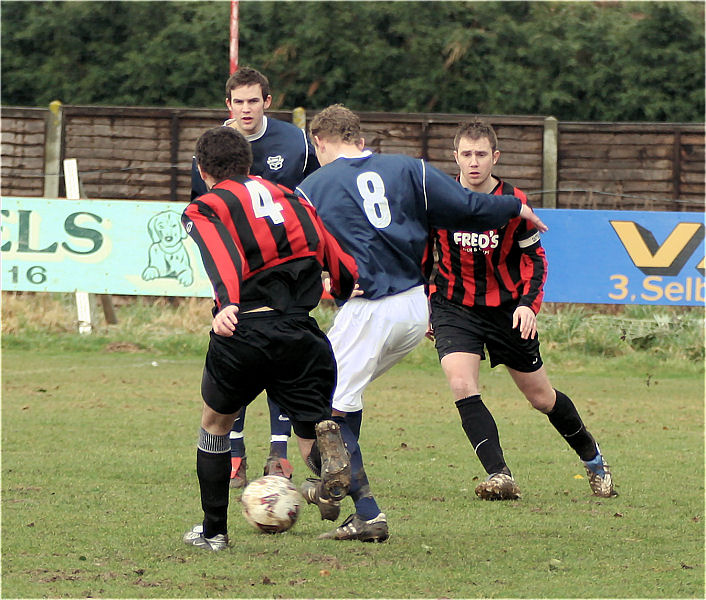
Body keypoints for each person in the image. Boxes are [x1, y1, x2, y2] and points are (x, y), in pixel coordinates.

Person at [294, 104, 548, 542]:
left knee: (313, 401)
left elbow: (298, 252)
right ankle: (343, 489)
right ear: (359, 135)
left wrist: (322, 287)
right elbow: (470, 207)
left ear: (319, 141)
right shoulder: (410, 168)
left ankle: (354, 500)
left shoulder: (312, 187)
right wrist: (516, 208)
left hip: (369, 310)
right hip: (414, 307)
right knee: (343, 401)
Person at [181, 126, 357, 551]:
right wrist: (344, 291)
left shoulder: (205, 206)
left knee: (215, 426)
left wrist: (226, 303)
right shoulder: (295, 197)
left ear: (204, 171)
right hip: (301, 333)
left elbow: (218, 253)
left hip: (244, 332)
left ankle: (213, 533)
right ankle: (339, 481)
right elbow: (340, 262)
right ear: (248, 163)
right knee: (311, 432)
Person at [427, 119, 616, 500]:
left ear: (495, 157)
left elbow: (537, 261)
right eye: (467, 154)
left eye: (482, 154)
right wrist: (422, 302)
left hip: (508, 310)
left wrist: (529, 306)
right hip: (453, 305)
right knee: (462, 383)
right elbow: (420, 253)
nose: (474, 162)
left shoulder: (514, 202)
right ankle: (500, 476)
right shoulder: (439, 199)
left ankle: (594, 460)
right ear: (455, 157)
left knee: (541, 398)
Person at [191, 67, 320, 488]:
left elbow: (313, 196)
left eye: (253, 100)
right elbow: (205, 211)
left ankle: (278, 454)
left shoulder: (296, 141)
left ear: (268, 100)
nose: (246, 108)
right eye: (238, 101)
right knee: (238, 357)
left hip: (284, 273)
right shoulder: (212, 148)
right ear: (227, 105)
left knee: (280, 360)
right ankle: (236, 453)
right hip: (237, 277)